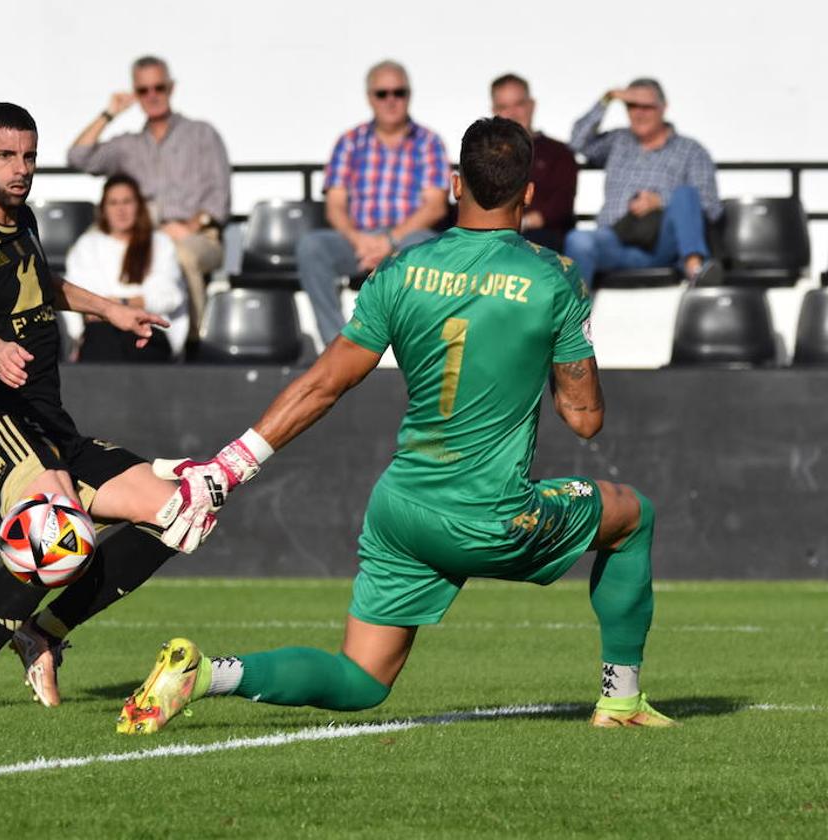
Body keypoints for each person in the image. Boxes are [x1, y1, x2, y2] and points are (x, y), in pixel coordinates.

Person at [117, 117, 674, 735]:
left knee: (360, 680)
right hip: (489, 514)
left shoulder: (402, 270)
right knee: (634, 515)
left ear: (456, 184)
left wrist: (228, 468)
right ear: (530, 194)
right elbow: (585, 419)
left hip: (401, 509)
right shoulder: (552, 277)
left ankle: (206, 674)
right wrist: (565, 336)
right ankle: (621, 703)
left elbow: (323, 384)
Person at [0, 102, 217, 710]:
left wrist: (109, 308)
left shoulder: (18, 217)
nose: (20, 168)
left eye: (28, 155)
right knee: (55, 531)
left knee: (186, 510)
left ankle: (43, 632)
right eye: (5, 156)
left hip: (49, 425)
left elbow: (39, 286)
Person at [67, 56, 229, 341]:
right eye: (143, 90)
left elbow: (219, 197)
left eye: (159, 88)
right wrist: (109, 113)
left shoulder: (202, 134)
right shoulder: (128, 144)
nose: (152, 96)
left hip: (197, 234)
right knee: (90, 244)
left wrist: (191, 226)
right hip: (141, 232)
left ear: (171, 88)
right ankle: (90, 335)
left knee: (182, 254)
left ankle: (192, 344)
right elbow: (78, 157)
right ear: (135, 94)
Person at [298, 60, 450, 347]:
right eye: (383, 93)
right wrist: (360, 241)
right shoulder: (349, 142)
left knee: (424, 248)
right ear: (370, 98)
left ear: (409, 95)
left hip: (407, 239)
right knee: (312, 247)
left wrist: (390, 241)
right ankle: (338, 347)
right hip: (359, 240)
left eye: (399, 92)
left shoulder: (429, 142)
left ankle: (417, 346)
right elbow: (335, 205)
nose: (391, 100)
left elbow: (435, 206)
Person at [564, 78, 722, 288]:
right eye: (631, 106)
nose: (638, 113)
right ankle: (574, 319)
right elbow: (576, 142)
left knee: (685, 193)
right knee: (577, 240)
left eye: (646, 106)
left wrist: (661, 201)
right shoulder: (618, 141)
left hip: (660, 245)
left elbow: (711, 207)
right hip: (615, 240)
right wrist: (608, 97)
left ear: (663, 108)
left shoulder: (690, 150)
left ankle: (695, 269)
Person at [61, 174, 188, 361]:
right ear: (104, 209)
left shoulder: (160, 244)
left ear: (139, 206)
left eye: (127, 202)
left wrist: (114, 306)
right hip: (101, 333)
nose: (121, 209)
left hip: (149, 330)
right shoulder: (87, 246)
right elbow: (79, 295)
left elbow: (168, 296)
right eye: (113, 203)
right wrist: (135, 302)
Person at [490, 73, 578, 252]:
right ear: (494, 111)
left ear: (532, 105)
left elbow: (561, 205)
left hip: (541, 238)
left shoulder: (559, 153)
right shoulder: (482, 153)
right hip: (491, 237)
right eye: (503, 107)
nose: (512, 113)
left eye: (519, 104)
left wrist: (522, 223)